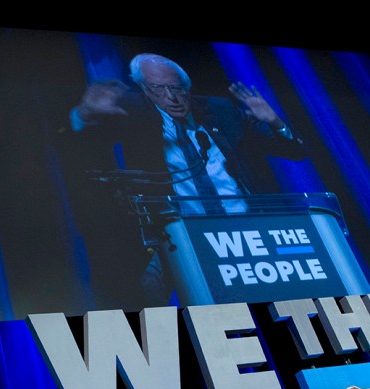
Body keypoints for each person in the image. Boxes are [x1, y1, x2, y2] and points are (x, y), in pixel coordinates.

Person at [65, 52, 308, 304]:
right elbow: (80, 153)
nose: (172, 97)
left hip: (241, 231)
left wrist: (274, 121)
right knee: (145, 295)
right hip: (179, 234)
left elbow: (295, 151)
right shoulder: (131, 112)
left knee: (262, 301)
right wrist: (83, 115)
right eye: (159, 89)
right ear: (144, 89)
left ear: (187, 86)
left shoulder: (220, 109)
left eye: (177, 88)